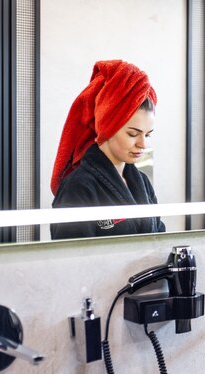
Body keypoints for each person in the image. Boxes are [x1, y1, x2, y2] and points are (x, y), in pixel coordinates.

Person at [50, 60, 166, 240]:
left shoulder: (142, 181)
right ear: (108, 129)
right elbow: (71, 260)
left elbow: (160, 240)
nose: (143, 144)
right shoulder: (78, 187)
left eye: (148, 135)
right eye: (133, 134)